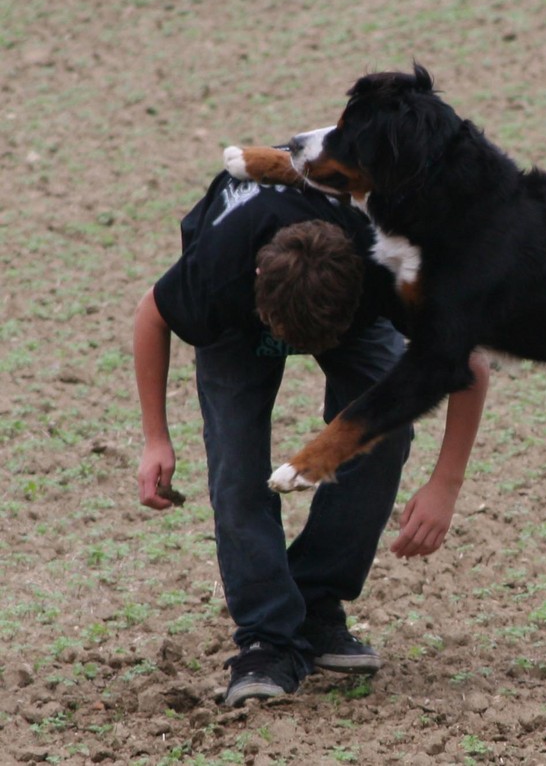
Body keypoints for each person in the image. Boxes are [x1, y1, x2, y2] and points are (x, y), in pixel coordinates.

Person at [133, 169, 489, 707]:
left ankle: (317, 604)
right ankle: (267, 639)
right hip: (241, 317)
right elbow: (150, 315)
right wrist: (156, 439)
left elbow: (470, 361)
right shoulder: (221, 270)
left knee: (383, 422)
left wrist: (446, 485)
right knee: (236, 464)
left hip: (344, 298)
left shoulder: (385, 263)